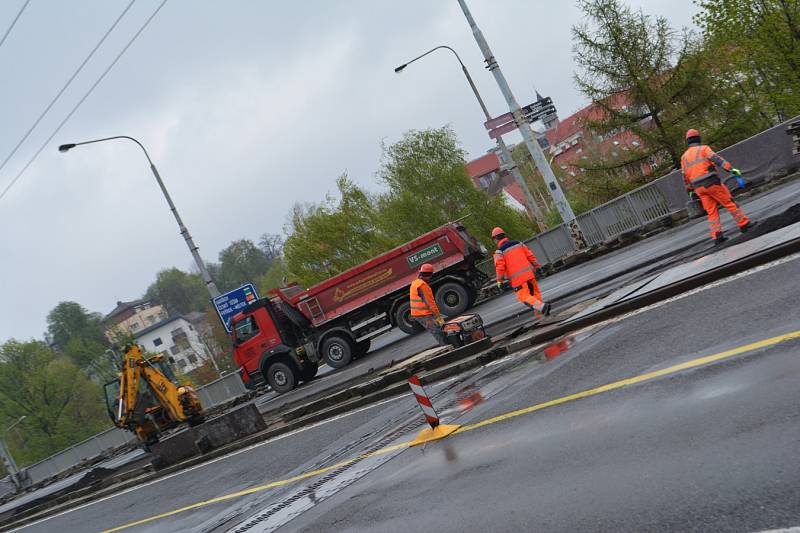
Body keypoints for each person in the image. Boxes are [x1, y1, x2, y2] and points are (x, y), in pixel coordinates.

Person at [681, 129, 753, 244]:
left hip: (699, 188)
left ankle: (717, 236)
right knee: (729, 203)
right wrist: (731, 169)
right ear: (698, 138)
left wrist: (690, 191)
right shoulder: (703, 149)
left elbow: (685, 177)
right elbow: (716, 159)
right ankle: (744, 224)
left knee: (711, 212)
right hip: (711, 183)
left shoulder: (684, 157)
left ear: (688, 141)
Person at [492, 227, 551, 317]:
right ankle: (541, 317)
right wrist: (537, 267)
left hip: (518, 281)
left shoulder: (499, 252)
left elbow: (500, 267)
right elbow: (530, 255)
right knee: (535, 296)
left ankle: (543, 307)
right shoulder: (518, 244)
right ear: (504, 235)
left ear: (495, 239)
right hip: (529, 275)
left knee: (525, 297)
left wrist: (499, 281)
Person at [409, 263, 447, 346]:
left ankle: (446, 344)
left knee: (438, 328)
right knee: (436, 331)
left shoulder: (415, 282)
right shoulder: (422, 286)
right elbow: (430, 304)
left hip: (421, 313)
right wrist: (438, 317)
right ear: (429, 275)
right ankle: (447, 347)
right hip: (422, 314)